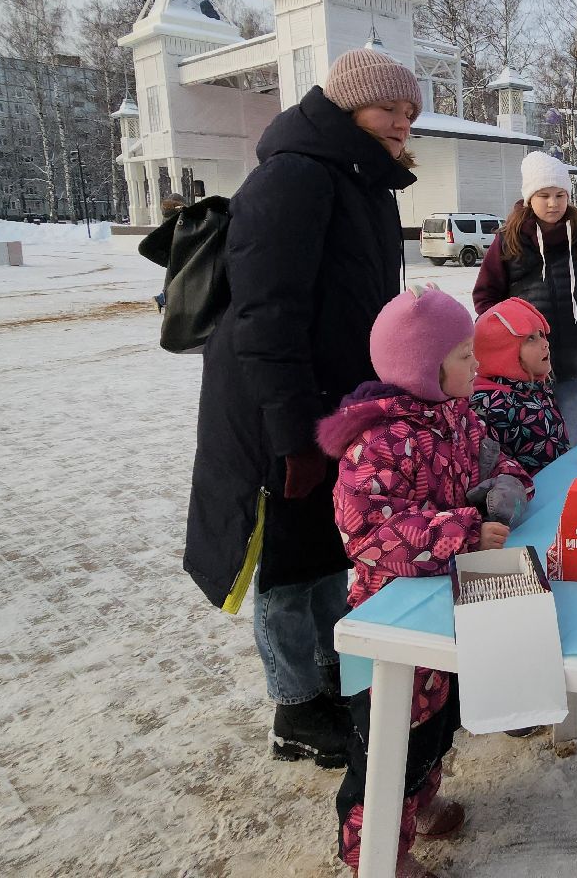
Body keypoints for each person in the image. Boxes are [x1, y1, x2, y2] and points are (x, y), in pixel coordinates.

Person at [184, 48, 421, 770]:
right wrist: (291, 435)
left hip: (337, 404)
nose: (401, 125)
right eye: (388, 109)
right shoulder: (294, 176)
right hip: (279, 405)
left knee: (328, 547)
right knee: (288, 562)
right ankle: (294, 707)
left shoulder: (363, 182)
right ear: (347, 105)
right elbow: (267, 317)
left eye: (409, 114)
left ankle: (326, 679)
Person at [316, 286, 532, 877]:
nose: (478, 364)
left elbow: (495, 462)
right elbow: (369, 532)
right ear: (424, 368)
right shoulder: (379, 441)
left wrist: (507, 486)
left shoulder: (458, 416)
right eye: (464, 355)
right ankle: (375, 853)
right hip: (390, 627)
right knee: (388, 748)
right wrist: (464, 531)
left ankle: (420, 801)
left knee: (437, 727)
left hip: (445, 608)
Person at [473, 152, 577, 446]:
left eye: (560, 195)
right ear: (530, 198)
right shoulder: (509, 239)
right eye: (544, 195)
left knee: (571, 445)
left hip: (572, 366)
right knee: (529, 448)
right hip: (522, 374)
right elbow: (485, 298)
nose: (553, 203)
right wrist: (511, 343)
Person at [470, 297, 571, 474]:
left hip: (560, 483)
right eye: (531, 338)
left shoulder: (534, 387)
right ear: (503, 353)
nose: (545, 343)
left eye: (541, 335)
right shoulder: (490, 406)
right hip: (530, 490)